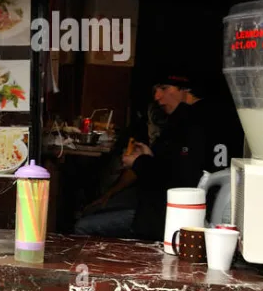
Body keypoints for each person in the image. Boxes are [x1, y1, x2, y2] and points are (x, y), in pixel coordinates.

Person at [75, 71, 227, 239]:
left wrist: (139, 161)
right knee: (95, 208)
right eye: (155, 90)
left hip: (170, 217)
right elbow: (170, 163)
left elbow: (180, 179)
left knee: (83, 226)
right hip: (156, 206)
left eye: (164, 88)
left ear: (185, 88)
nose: (157, 96)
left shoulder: (195, 121)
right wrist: (148, 156)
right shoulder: (186, 117)